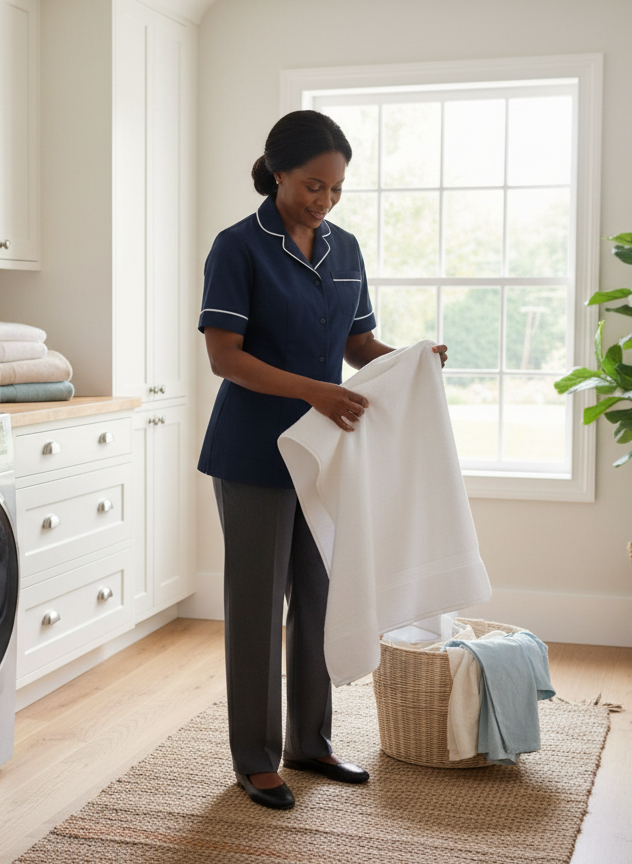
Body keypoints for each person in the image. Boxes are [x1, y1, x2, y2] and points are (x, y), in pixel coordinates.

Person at [198, 110, 448, 810]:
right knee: (256, 605)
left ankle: (310, 741)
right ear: (278, 172)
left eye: (336, 189)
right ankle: (256, 758)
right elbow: (225, 357)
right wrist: (316, 391)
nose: (324, 201)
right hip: (253, 452)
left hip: (326, 451)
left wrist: (410, 362)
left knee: (317, 598)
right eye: (314, 185)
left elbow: (358, 347)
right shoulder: (238, 248)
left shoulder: (346, 250)